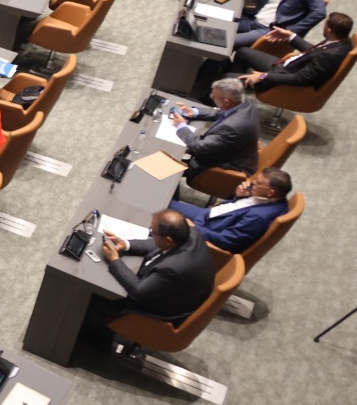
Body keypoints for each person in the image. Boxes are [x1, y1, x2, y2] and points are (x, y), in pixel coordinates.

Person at [84, 210, 216, 349]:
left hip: (159, 310)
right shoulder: (190, 234)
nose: (151, 235)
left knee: (91, 296)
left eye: (153, 232)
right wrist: (126, 244)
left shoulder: (172, 268)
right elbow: (156, 245)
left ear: (168, 240)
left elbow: (138, 291)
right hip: (177, 293)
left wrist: (115, 260)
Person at [168, 169, 292, 255]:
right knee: (167, 193)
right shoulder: (275, 200)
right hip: (211, 216)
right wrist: (239, 197)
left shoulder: (257, 218)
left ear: (270, 193)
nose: (253, 182)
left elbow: (226, 241)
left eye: (258, 183)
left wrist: (194, 228)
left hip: (206, 226)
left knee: (163, 206)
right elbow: (236, 209)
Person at [237, 12, 352, 92]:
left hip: (282, 80)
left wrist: (263, 76)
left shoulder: (329, 56)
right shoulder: (343, 42)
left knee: (226, 77)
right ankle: (238, 89)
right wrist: (290, 35)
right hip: (286, 66)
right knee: (242, 52)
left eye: (325, 25)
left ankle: (236, 88)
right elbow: (315, 51)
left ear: (329, 31)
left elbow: (299, 79)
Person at [169, 78, 258, 176]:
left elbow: (198, 146)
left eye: (214, 97)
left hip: (224, 165)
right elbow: (221, 112)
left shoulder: (231, 127)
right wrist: (193, 112)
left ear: (226, 101)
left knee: (169, 167)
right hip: (233, 152)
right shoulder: (245, 103)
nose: (211, 97)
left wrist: (181, 126)